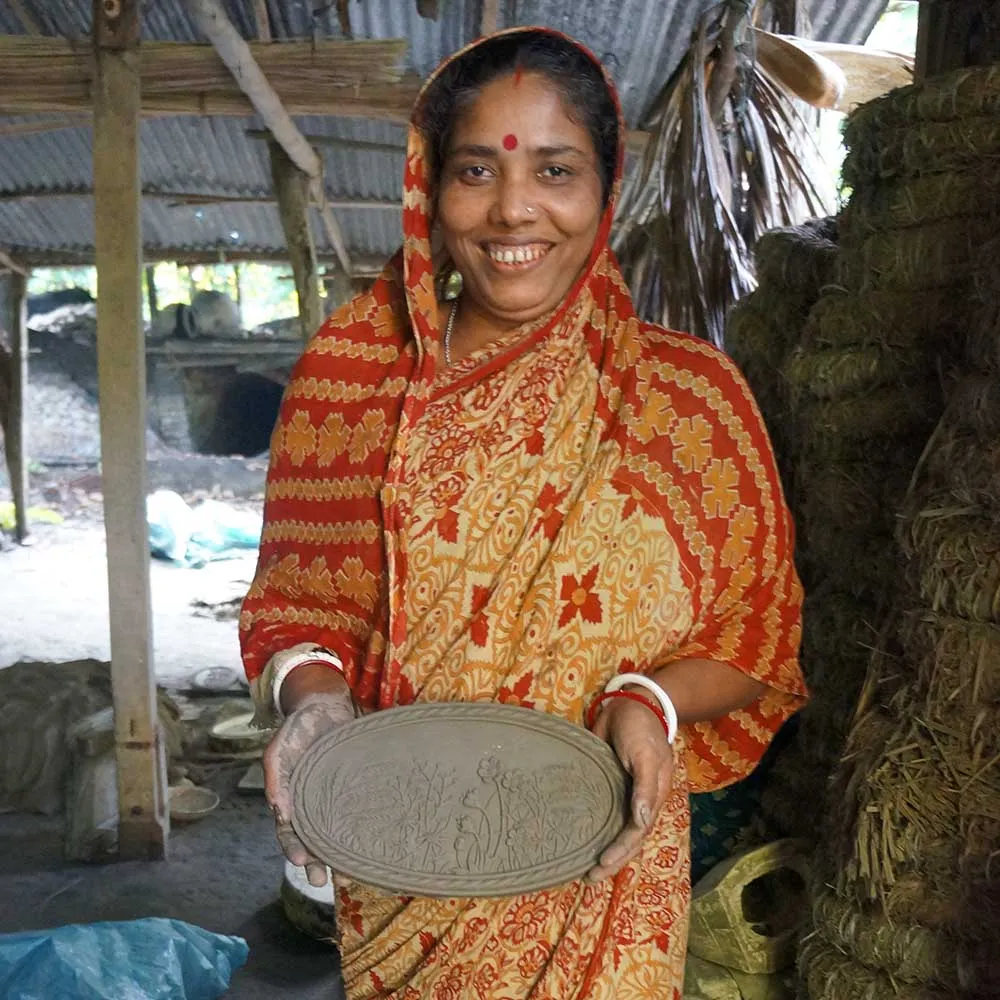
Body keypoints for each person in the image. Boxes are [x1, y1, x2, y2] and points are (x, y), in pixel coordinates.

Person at [241, 27, 806, 999]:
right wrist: (312, 697)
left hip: (611, 885)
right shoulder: (355, 376)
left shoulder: (686, 402)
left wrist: (652, 700)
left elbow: (758, 632)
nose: (513, 210)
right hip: (407, 869)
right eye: (475, 171)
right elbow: (299, 605)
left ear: (603, 184)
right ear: (430, 186)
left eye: (555, 169)